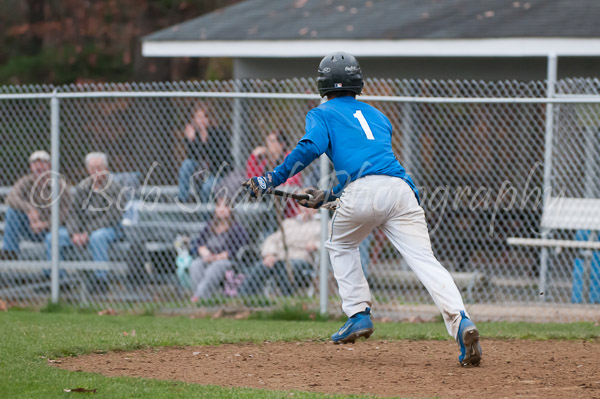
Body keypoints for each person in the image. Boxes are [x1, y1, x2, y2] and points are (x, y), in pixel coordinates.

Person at [244, 52, 482, 367]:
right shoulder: (378, 116)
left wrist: (271, 178)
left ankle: (358, 313)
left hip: (364, 191)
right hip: (401, 190)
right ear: (358, 83)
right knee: (426, 262)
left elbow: (311, 148)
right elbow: (372, 165)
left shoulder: (322, 112)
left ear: (322, 84)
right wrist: (329, 195)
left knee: (340, 243)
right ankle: (461, 321)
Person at [48, 152, 126, 289]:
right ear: (88, 170)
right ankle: (57, 280)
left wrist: (87, 233)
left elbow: (112, 217)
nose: (96, 172)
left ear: (106, 169)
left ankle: (101, 280)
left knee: (98, 237)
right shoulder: (82, 188)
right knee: (53, 237)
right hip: (81, 231)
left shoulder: (115, 188)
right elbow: (73, 213)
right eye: (92, 168)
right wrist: (74, 233)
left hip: (110, 229)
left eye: (99, 168)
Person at [1, 151, 71, 260]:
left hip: (51, 230)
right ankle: (10, 252)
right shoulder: (26, 181)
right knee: (12, 212)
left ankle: (52, 273)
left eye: (43, 163)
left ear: (49, 165)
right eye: (35, 163)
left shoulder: (59, 184)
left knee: (57, 233)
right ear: (31, 167)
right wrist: (30, 210)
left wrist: (45, 224)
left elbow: (66, 211)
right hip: (31, 227)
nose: (39, 166)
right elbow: (10, 198)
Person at [240, 205, 320, 297]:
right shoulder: (288, 223)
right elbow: (272, 239)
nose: (306, 207)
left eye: (310, 204)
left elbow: (330, 243)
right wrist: (269, 254)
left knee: (283, 267)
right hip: (280, 257)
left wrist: (316, 245)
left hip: (302, 258)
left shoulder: (322, 224)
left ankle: (286, 299)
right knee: (262, 266)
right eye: (303, 204)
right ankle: (244, 296)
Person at [189, 195, 249, 302]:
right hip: (209, 258)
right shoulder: (210, 227)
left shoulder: (237, 228)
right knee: (195, 265)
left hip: (227, 262)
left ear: (231, 209)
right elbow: (198, 244)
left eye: (225, 206)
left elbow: (235, 251)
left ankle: (199, 298)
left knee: (216, 266)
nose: (221, 209)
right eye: (218, 206)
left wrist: (216, 257)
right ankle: (203, 298)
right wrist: (205, 253)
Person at [178, 105, 231, 202]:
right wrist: (191, 141)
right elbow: (193, 157)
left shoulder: (218, 133)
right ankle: (182, 199)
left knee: (207, 187)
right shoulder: (195, 134)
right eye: (198, 117)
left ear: (209, 119)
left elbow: (215, 156)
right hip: (202, 170)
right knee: (187, 164)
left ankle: (205, 214)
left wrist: (205, 140)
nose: (201, 120)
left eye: (204, 117)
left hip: (218, 171)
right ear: (194, 120)